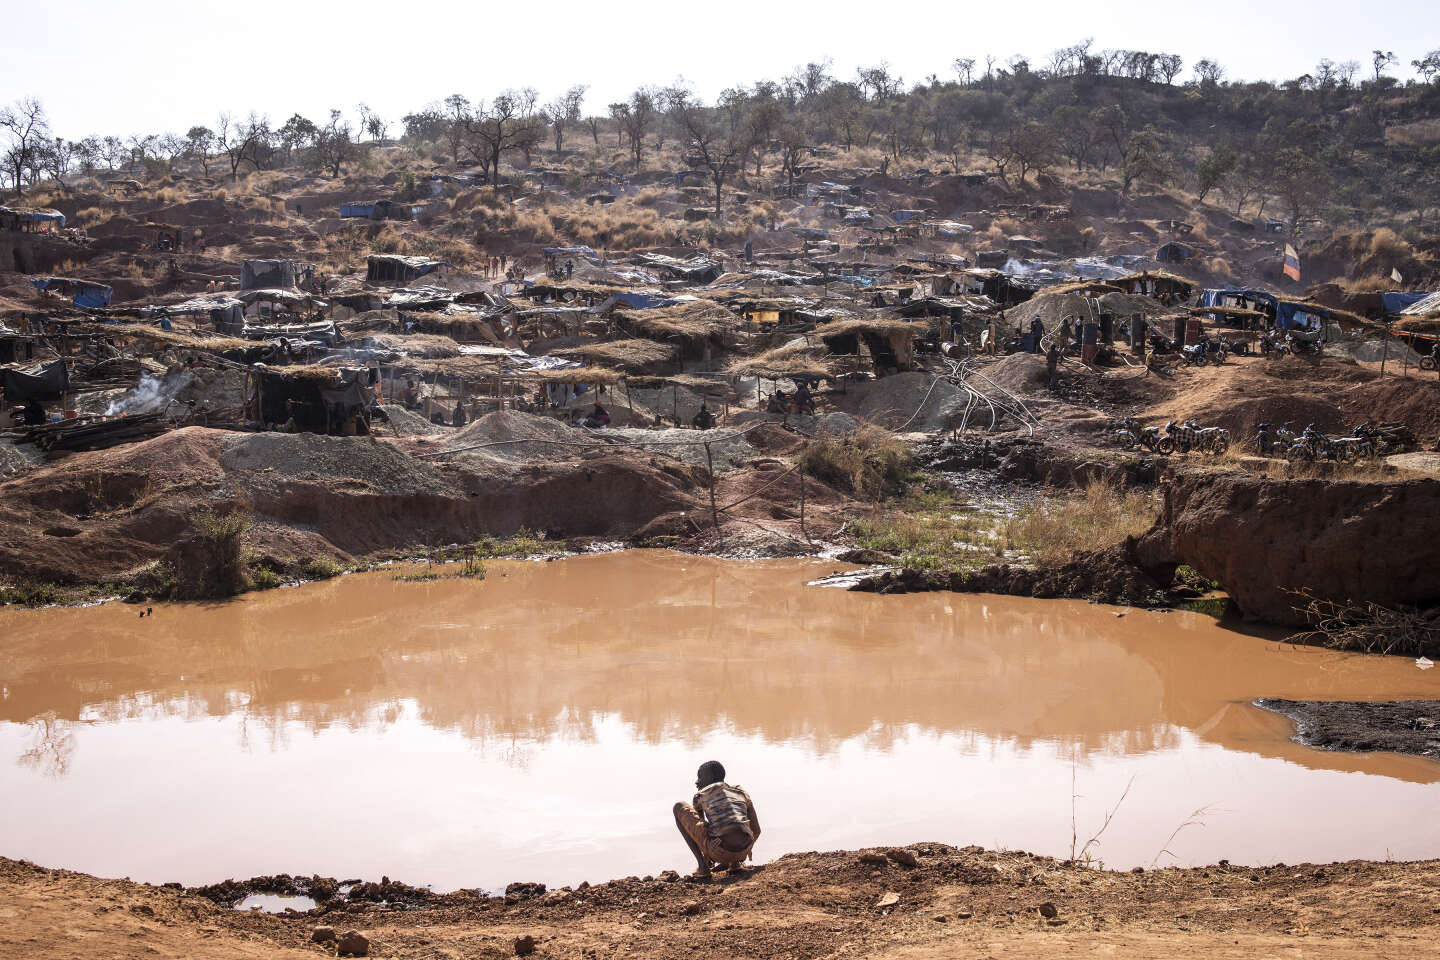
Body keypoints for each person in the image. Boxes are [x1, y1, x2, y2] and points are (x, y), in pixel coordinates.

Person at [674, 761, 760, 879]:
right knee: (729, 824)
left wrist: (709, 855)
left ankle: (703, 868)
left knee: (678, 806)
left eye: (700, 776)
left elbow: (701, 829)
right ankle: (735, 864)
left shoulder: (700, 795)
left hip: (719, 851)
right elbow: (757, 830)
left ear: (710, 777)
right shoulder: (740, 792)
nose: (697, 782)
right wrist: (748, 845)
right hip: (745, 849)